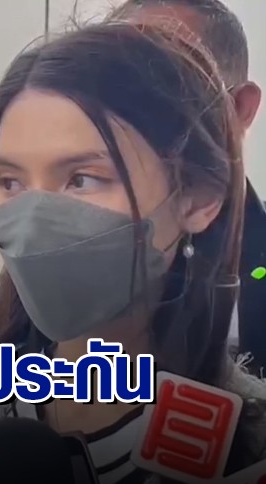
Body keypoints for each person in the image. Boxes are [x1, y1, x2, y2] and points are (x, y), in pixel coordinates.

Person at [0, 22, 266, 484]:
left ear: (196, 198)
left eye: (82, 179)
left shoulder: (250, 447)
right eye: (12, 182)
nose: (33, 219)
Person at [110, 0, 266, 380]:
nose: (126, 114)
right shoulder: (59, 249)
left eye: (166, 83)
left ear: (239, 109)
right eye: (111, 87)